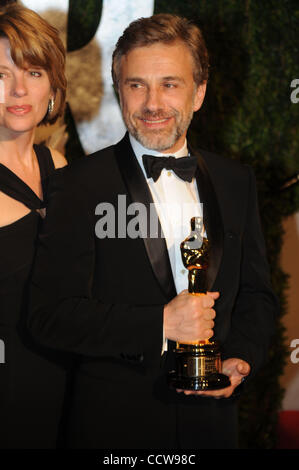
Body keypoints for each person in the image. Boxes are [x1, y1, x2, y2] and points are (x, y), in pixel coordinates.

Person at [28, 14, 278, 449]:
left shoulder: (237, 182)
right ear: (118, 90)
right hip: (113, 429)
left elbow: (256, 294)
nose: (152, 103)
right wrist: (159, 323)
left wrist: (241, 358)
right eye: (136, 84)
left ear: (198, 93)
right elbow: (48, 316)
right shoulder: (78, 186)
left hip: (213, 427)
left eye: (170, 84)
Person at [0, 4, 68, 448]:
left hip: (64, 382)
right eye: (1, 74)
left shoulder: (59, 166)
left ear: (54, 88)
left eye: (34, 71)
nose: (19, 89)